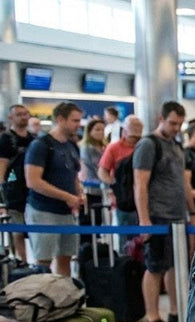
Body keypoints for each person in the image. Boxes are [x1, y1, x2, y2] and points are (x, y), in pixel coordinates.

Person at [133, 101, 195, 322]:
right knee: (155, 266)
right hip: (157, 216)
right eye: (172, 123)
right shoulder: (148, 145)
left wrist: (191, 212)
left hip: (177, 215)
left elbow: (183, 183)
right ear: (161, 118)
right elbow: (140, 184)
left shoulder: (176, 146)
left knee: (173, 266)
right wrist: (144, 219)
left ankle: (174, 311)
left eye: (180, 124)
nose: (176, 128)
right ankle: (152, 316)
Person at [23, 102, 84, 275]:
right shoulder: (41, 146)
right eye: (74, 120)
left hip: (67, 212)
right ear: (60, 119)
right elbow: (33, 181)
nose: (78, 124)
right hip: (43, 211)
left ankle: (63, 297)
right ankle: (44, 299)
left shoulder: (71, 146)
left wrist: (78, 193)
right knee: (44, 261)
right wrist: (66, 196)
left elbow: (74, 175)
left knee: (66, 257)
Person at [0, 104, 35, 261]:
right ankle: (22, 261)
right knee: (18, 230)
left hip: (32, 190)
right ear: (11, 118)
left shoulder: (33, 139)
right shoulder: (6, 139)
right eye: (19, 114)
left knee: (34, 229)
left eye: (25, 114)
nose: (23, 117)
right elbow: (2, 165)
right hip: (14, 190)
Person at [98, 115, 144, 227]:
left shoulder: (144, 146)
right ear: (124, 131)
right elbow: (102, 172)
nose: (135, 140)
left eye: (138, 137)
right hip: (124, 200)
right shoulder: (114, 148)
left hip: (143, 198)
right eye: (133, 136)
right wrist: (116, 185)